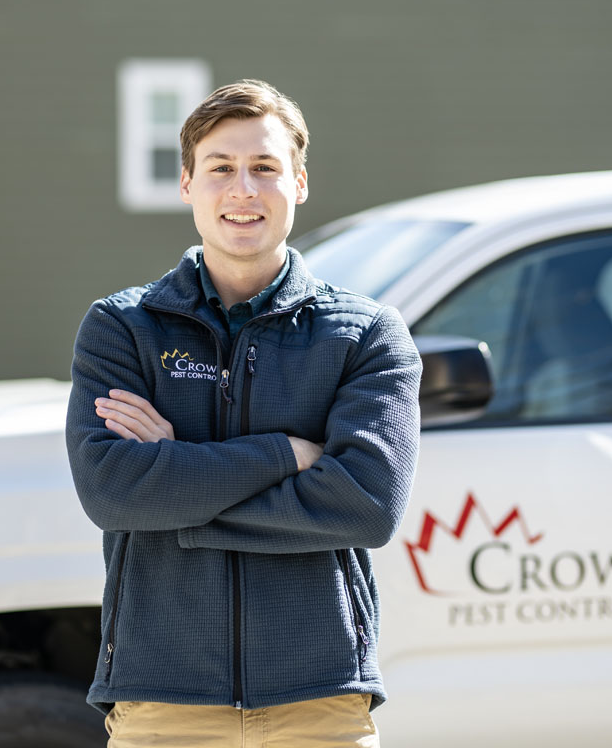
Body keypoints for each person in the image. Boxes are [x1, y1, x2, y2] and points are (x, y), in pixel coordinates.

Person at [65, 79, 421, 747]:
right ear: (186, 184)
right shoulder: (123, 328)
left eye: (265, 168)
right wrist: (284, 456)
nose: (243, 189)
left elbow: (366, 506)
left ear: (300, 183)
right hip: (163, 703)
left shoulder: (365, 334)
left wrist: (176, 480)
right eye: (221, 168)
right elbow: (113, 492)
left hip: (320, 701)